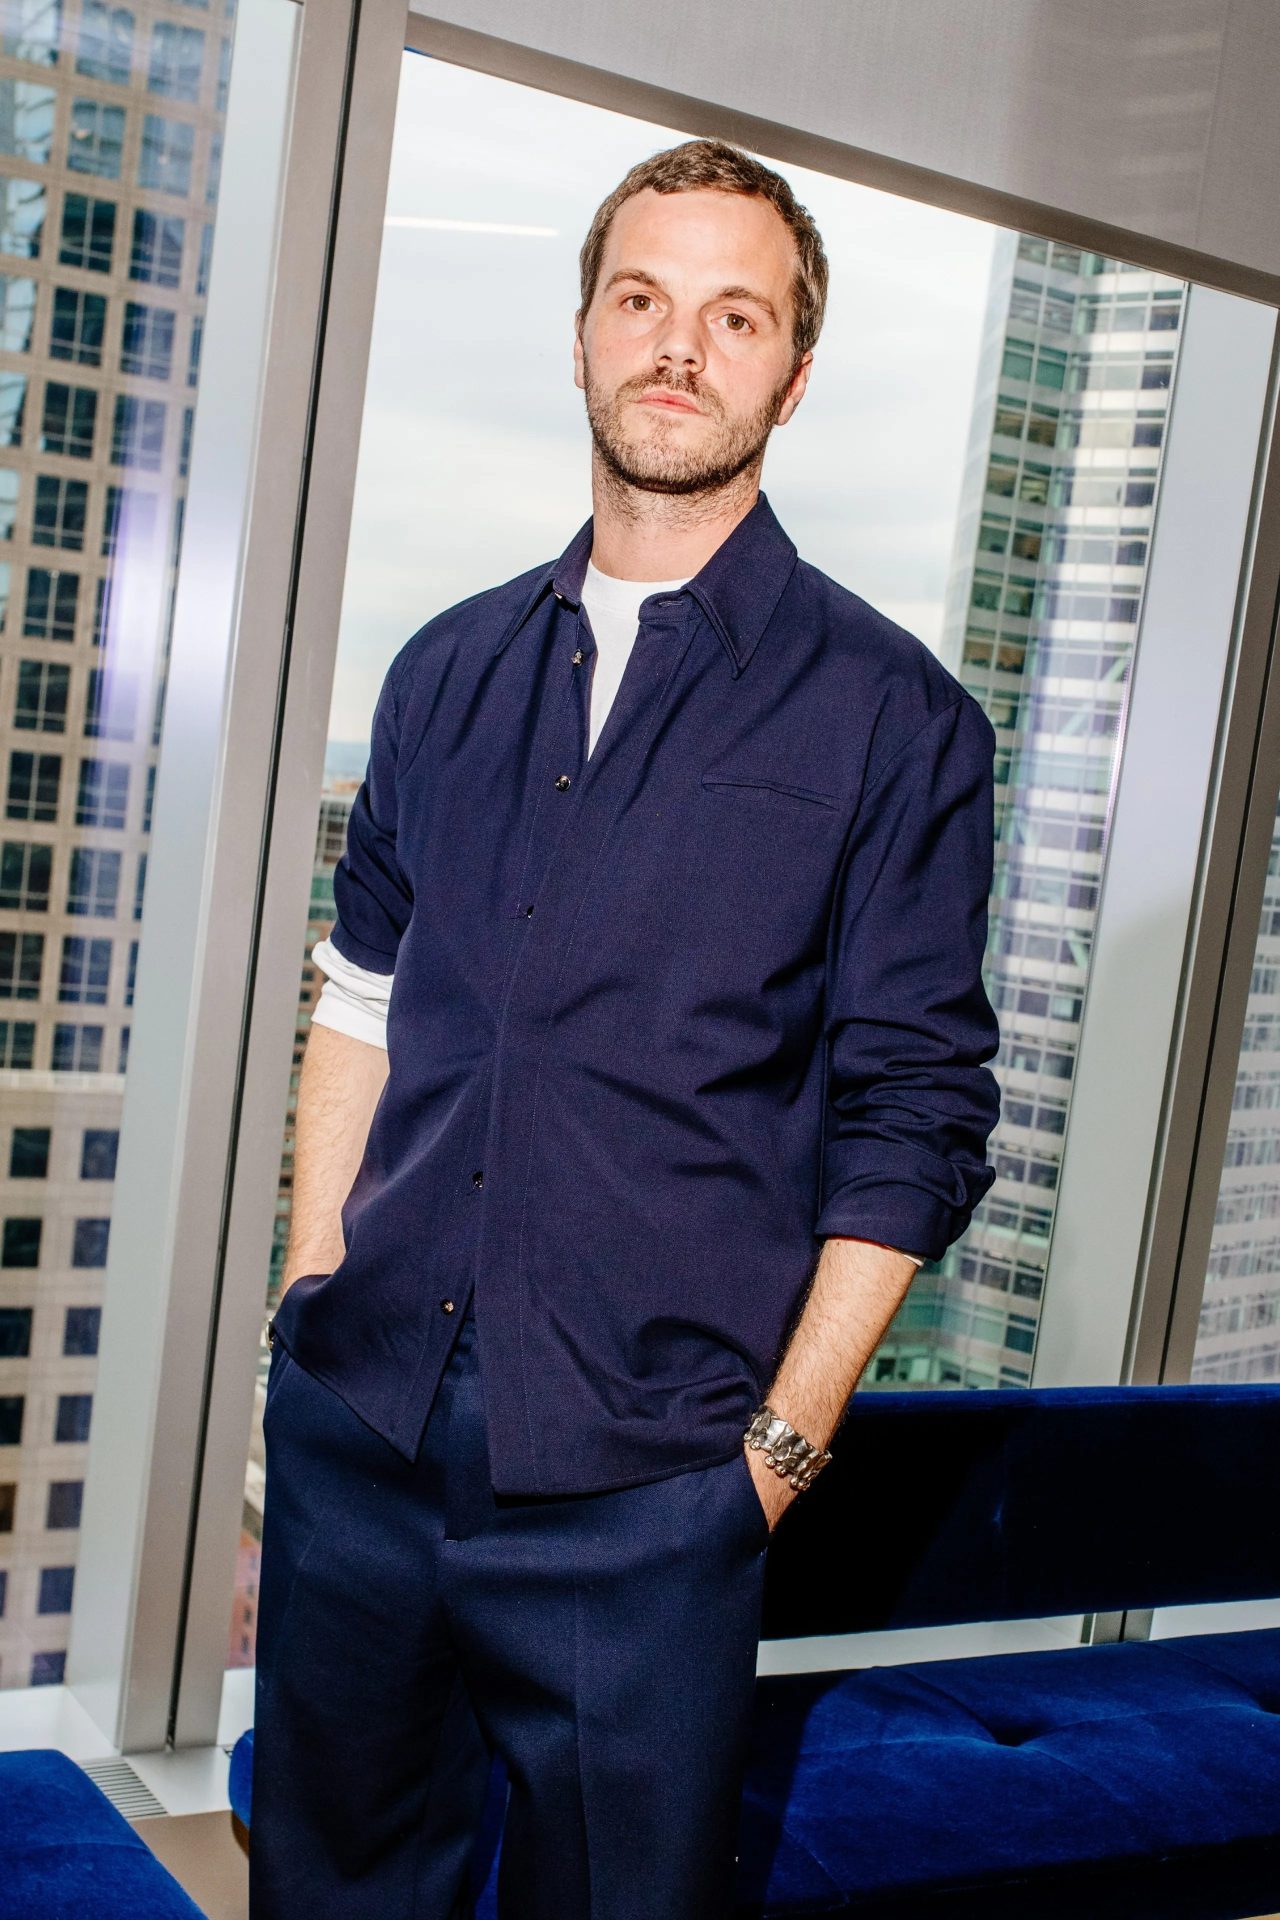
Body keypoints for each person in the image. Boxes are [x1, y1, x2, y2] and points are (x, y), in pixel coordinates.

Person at [249, 136, 1002, 1920]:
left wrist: (772, 1464)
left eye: (736, 316)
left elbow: (917, 1114)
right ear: (584, 331)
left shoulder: (896, 720)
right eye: (643, 298)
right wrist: (310, 1294)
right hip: (365, 1436)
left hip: (655, 1493)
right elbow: (362, 995)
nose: (680, 345)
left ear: (792, 375)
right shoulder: (444, 669)